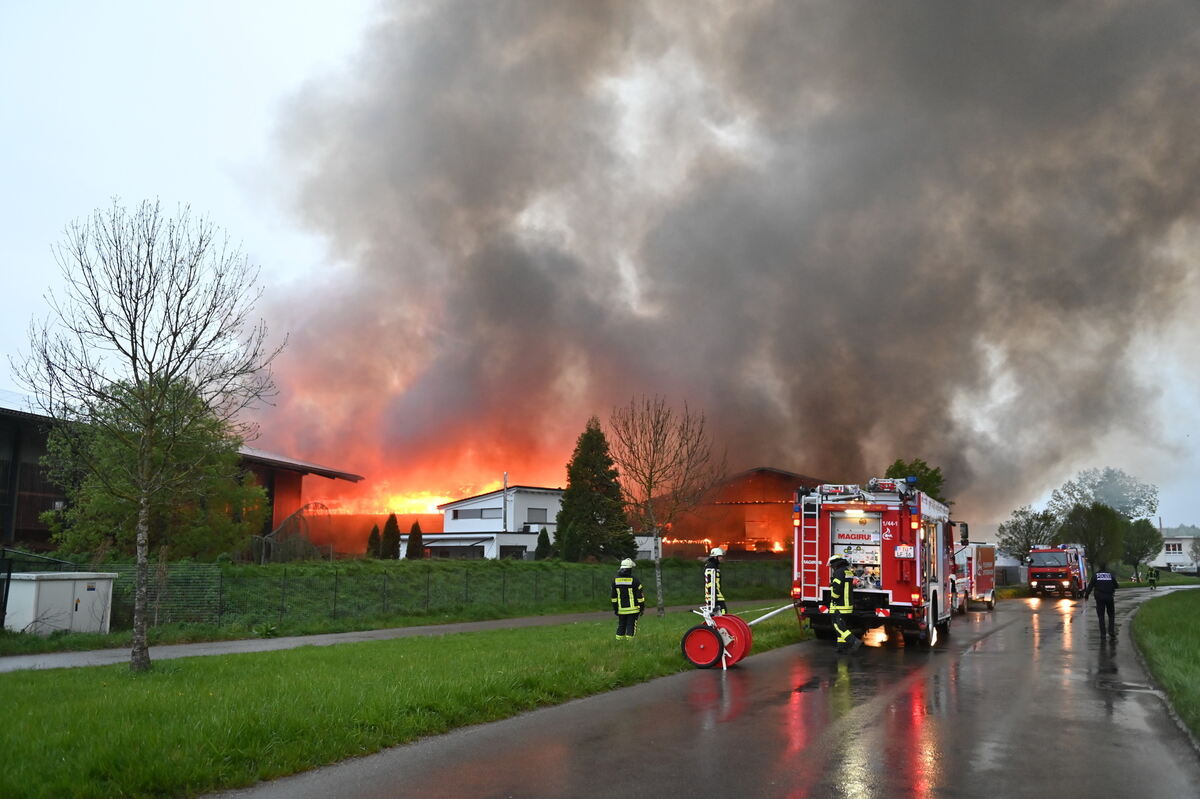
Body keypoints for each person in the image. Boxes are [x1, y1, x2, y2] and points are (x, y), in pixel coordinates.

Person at [829, 555, 862, 654]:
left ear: (835, 564)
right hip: (847, 603)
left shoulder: (838, 572)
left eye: (832, 566)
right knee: (842, 625)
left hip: (839, 604)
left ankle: (854, 641)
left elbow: (837, 589)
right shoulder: (847, 571)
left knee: (837, 626)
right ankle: (842, 647)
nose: (831, 567)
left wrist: (833, 597)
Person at [610, 558, 645, 640]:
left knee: (621, 625)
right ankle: (630, 643)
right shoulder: (635, 581)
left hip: (621, 609)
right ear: (630, 569)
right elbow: (640, 597)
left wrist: (615, 609)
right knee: (631, 626)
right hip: (633, 609)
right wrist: (642, 608)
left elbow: (613, 597)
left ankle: (619, 642)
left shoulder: (615, 580)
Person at [1083, 561, 1119, 639]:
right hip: (1109, 597)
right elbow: (1116, 585)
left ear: (1099, 567)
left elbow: (1090, 586)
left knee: (1101, 615)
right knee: (1111, 615)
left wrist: (1086, 595)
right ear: (1105, 567)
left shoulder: (1096, 575)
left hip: (1099, 597)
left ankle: (1103, 634)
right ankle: (1111, 632)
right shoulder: (1110, 575)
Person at [704, 547, 727, 615]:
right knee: (722, 612)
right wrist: (714, 597)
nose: (721, 558)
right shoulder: (710, 566)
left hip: (717, 595)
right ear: (715, 557)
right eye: (720, 556)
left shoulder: (715, 566)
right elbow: (710, 583)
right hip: (714, 596)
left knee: (721, 612)